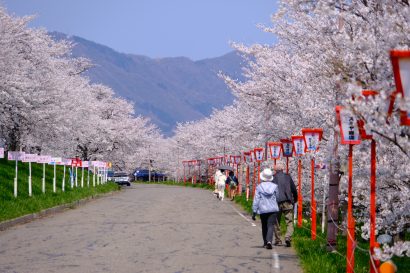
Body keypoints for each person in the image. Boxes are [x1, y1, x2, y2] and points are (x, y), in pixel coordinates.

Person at [251, 168, 279, 249]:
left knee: (264, 225)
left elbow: (256, 200)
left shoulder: (259, 187)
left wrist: (254, 211)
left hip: (263, 209)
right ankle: (269, 241)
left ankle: (265, 242)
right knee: (270, 225)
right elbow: (278, 197)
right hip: (273, 209)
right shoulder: (275, 187)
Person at [272, 162, 298, 247]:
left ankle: (278, 240)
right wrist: (295, 199)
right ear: (283, 169)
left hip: (276, 202)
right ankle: (287, 237)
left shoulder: (273, 178)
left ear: (275, 170)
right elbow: (294, 189)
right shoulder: (288, 177)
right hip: (287, 201)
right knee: (289, 221)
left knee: (276, 222)